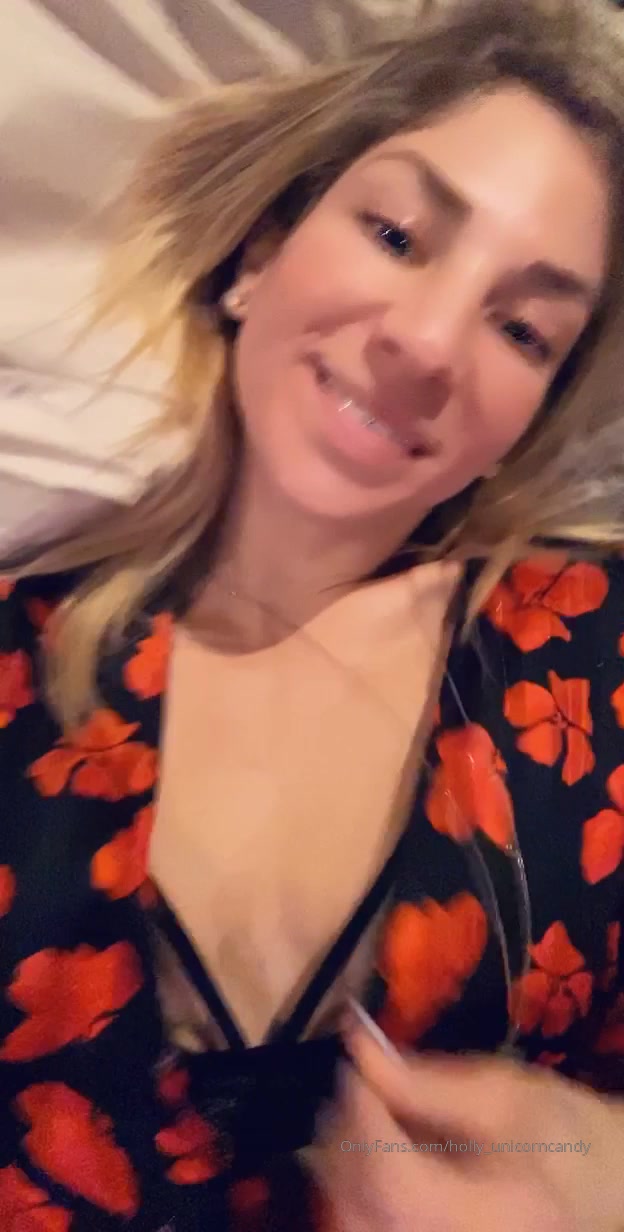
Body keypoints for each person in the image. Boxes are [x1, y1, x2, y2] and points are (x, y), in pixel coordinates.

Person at [1, 0, 624, 1227]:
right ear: (258, 253)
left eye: (523, 328)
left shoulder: (593, 662)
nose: (429, 342)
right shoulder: (22, 664)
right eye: (396, 234)